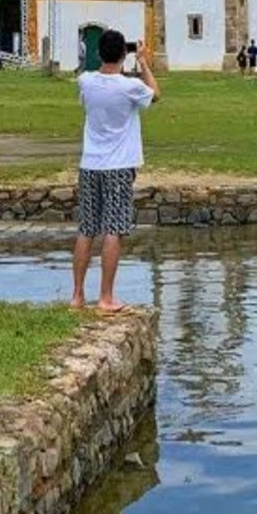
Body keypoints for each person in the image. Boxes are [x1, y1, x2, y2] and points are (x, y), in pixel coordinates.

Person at [72, 30, 160, 312]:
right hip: (119, 165)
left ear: (99, 53)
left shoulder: (85, 81)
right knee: (114, 228)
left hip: (90, 164)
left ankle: (77, 296)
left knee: (87, 228)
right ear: (124, 54)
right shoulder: (128, 87)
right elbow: (155, 94)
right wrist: (144, 63)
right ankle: (106, 297)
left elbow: (87, 100)